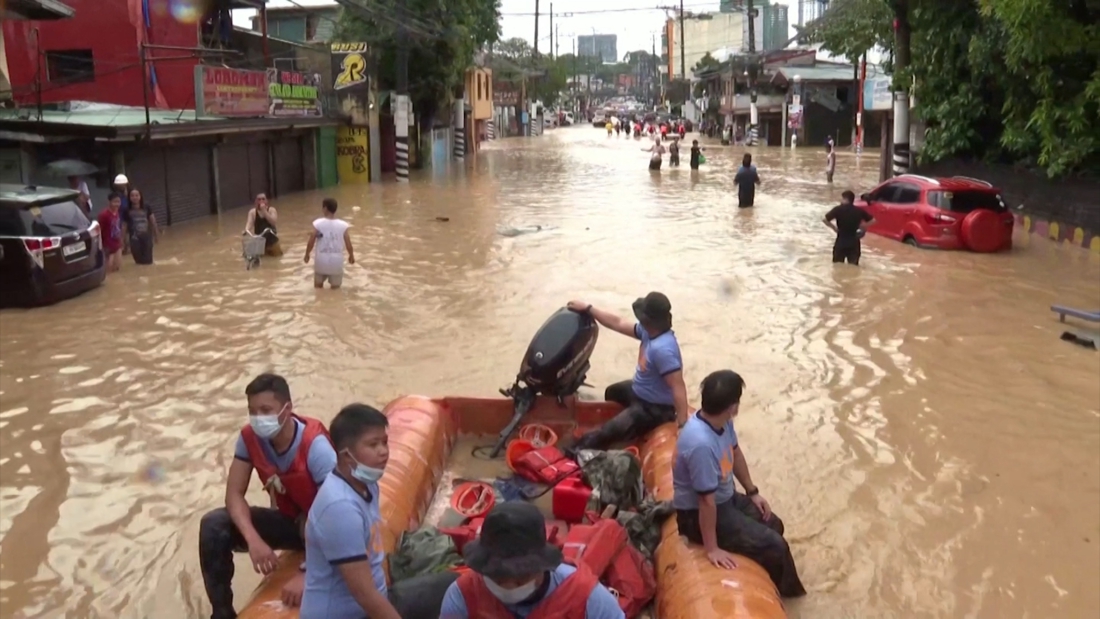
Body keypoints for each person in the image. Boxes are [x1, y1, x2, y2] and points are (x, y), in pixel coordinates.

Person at [198, 374, 337, 619]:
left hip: (320, 524)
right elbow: (234, 494)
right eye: (253, 411)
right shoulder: (249, 439)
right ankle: (222, 613)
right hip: (288, 520)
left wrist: (307, 572)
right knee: (213, 525)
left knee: (310, 523)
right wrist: (253, 540)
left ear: (287, 409)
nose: (259, 419)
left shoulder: (316, 447)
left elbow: (337, 513)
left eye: (266, 410)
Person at [672, 369, 807, 598]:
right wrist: (712, 549)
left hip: (725, 499)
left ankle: (766, 579)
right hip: (697, 515)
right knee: (777, 546)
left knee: (774, 523)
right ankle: (794, 599)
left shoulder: (722, 422)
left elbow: (735, 453)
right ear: (732, 407)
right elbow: (706, 501)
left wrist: (752, 492)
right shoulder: (701, 445)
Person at [299, 403, 403, 619]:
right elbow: (364, 594)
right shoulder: (340, 508)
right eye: (373, 444)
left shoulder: (367, 483)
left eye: (384, 442)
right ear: (347, 456)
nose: (383, 451)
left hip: (371, 601)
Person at [439, 502, 625, 619]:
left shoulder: (588, 599)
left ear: (542, 567)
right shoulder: (463, 595)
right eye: (498, 577)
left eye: (520, 578)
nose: (509, 586)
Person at [566, 293, 690, 451]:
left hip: (654, 408)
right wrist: (589, 308)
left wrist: (682, 425)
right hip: (639, 391)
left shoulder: (663, 349)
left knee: (604, 433)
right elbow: (618, 323)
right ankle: (626, 430)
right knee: (612, 392)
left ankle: (574, 450)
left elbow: (678, 386)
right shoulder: (648, 332)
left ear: (648, 320)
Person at [304, 198, 355, 289]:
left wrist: (307, 254)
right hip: (336, 263)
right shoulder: (343, 225)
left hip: (321, 262)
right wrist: (351, 255)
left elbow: (311, 241)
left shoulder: (318, 223)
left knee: (318, 289)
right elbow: (348, 243)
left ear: (325, 208)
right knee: (335, 290)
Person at [824, 190, 875, 266]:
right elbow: (873, 221)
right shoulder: (859, 210)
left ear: (845, 199)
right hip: (854, 242)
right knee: (853, 266)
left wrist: (834, 228)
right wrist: (862, 226)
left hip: (841, 241)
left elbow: (825, 220)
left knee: (837, 266)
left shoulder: (838, 209)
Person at [125, 188, 159, 265]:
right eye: (132, 196)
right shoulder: (127, 210)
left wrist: (156, 235)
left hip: (147, 238)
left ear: (140, 197)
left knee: (148, 261)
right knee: (138, 262)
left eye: (137, 195)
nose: (134, 197)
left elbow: (153, 221)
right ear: (129, 197)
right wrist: (123, 241)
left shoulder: (146, 207)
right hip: (134, 239)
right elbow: (124, 226)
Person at [97, 192, 124, 272]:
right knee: (108, 269)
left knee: (117, 267)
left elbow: (118, 227)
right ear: (109, 202)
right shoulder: (103, 215)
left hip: (117, 243)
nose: (117, 204)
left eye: (118, 202)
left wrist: (121, 240)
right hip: (107, 245)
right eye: (114, 202)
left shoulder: (117, 213)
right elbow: (99, 230)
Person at [112, 174, 132, 254]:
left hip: (127, 217)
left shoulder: (129, 194)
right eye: (120, 185)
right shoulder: (116, 196)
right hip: (120, 218)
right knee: (122, 235)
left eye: (123, 185)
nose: (122, 187)